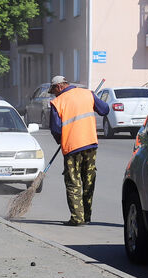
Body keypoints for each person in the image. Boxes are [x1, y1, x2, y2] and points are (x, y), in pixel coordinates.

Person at [48, 75, 109, 226]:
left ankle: (77, 218)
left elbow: (55, 129)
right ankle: (87, 216)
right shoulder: (87, 94)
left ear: (60, 86)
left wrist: (61, 141)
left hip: (72, 147)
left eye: (54, 90)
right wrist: (92, 100)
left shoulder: (58, 102)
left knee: (73, 181)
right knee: (88, 180)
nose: (54, 94)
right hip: (90, 144)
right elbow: (105, 110)